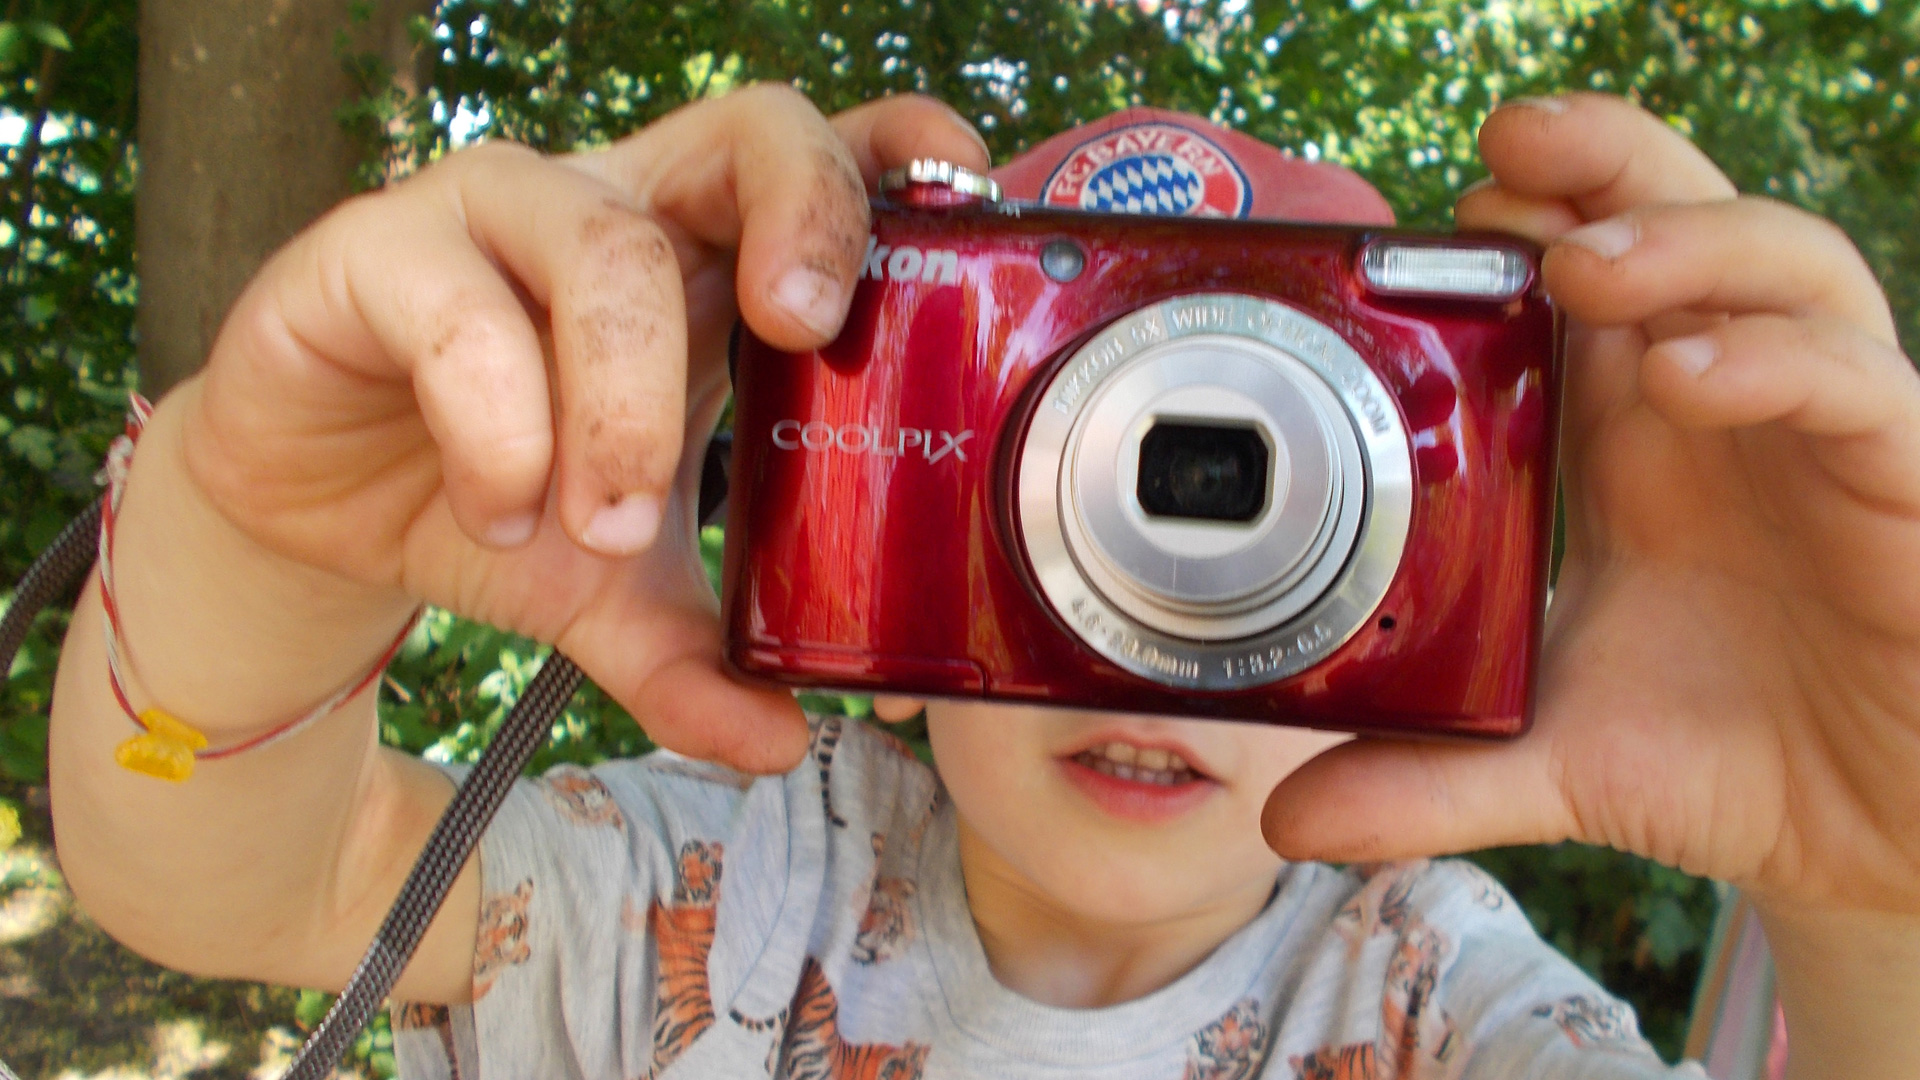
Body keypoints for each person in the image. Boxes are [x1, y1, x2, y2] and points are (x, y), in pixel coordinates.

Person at [44, 85, 1919, 1079]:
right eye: (1070, 483)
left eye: (1281, 512)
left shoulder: (1429, 1002)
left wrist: (1880, 898)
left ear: (1426, 587)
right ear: (883, 501)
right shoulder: (725, 881)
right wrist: (256, 535)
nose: (1160, 622)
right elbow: (236, 880)